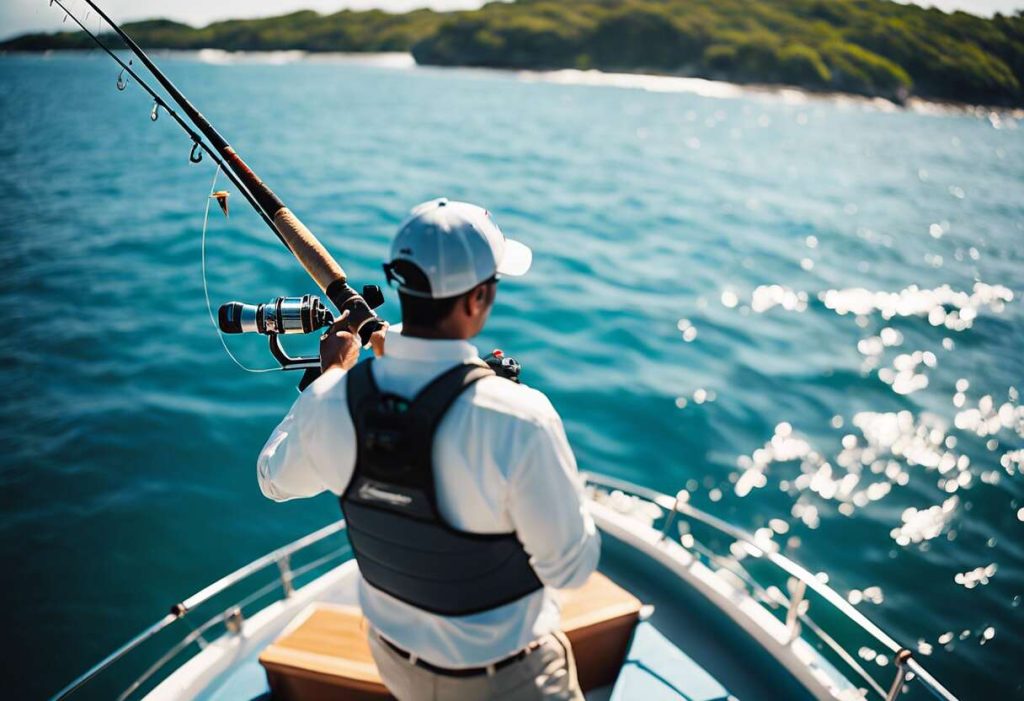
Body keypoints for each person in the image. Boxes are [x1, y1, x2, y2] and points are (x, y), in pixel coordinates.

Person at [257, 198, 600, 700]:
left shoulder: (332, 401)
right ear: (477, 298)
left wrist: (329, 376)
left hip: (400, 671)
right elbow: (571, 570)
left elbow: (274, 479)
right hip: (509, 682)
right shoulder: (521, 418)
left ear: (401, 282)